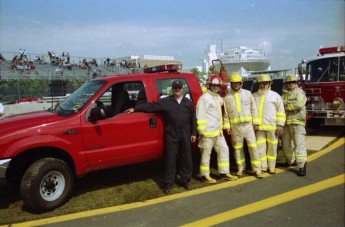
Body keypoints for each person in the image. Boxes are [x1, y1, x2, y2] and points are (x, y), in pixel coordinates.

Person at [125, 80, 197, 194]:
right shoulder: (166, 102)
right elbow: (151, 106)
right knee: (170, 159)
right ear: (172, 89)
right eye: (175, 88)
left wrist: (193, 133)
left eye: (179, 88)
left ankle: (185, 180)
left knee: (186, 158)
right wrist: (135, 109)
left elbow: (193, 119)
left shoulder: (188, 102)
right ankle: (168, 183)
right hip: (171, 134)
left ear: (182, 89)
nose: (177, 89)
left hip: (185, 134)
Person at [196, 75, 238, 184]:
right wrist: (201, 131)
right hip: (207, 133)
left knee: (224, 150)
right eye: (213, 85)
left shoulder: (218, 98)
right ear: (209, 85)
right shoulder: (204, 98)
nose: (215, 87)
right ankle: (204, 175)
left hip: (218, 132)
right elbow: (200, 116)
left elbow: (226, 102)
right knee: (206, 154)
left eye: (217, 85)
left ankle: (224, 173)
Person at [223, 72, 263, 179]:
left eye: (237, 83)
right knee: (237, 148)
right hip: (235, 127)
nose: (235, 85)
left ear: (241, 83)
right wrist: (227, 126)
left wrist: (256, 123)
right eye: (233, 83)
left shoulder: (247, 94)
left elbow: (254, 109)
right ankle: (241, 168)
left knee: (253, 147)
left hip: (248, 126)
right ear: (231, 84)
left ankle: (257, 169)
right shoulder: (227, 97)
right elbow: (226, 114)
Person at [253, 74, 286, 174]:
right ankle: (263, 167)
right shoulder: (254, 96)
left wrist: (280, 125)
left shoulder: (275, 96)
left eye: (265, 83)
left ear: (269, 84)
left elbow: (281, 112)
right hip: (259, 127)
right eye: (261, 84)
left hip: (272, 127)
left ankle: (271, 166)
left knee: (272, 148)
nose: (263, 85)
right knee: (260, 148)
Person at [281, 74, 308, 176]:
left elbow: (299, 104)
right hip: (286, 123)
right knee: (285, 145)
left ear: (297, 83)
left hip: (298, 123)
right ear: (286, 84)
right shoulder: (283, 94)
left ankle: (301, 166)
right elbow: (280, 104)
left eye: (293, 82)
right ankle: (291, 161)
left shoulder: (300, 92)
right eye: (288, 82)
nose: (291, 84)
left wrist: (286, 105)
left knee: (299, 145)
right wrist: (290, 102)